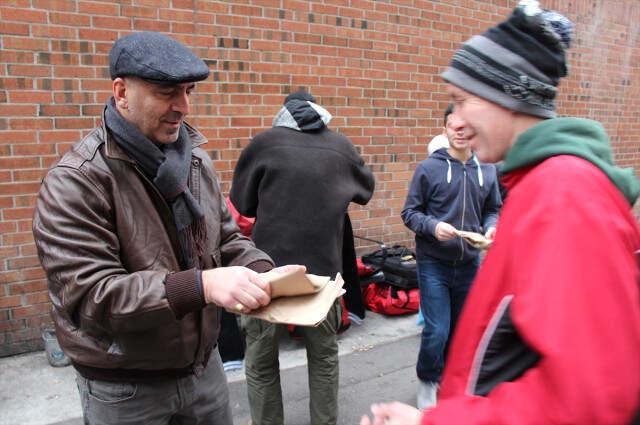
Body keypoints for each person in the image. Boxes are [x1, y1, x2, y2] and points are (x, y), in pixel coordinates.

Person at [362, 1, 640, 424]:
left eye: (460, 100)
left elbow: (593, 394)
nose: (454, 120)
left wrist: (435, 421)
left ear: (505, 97)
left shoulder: (562, 192)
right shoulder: (536, 183)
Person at [32, 31, 302, 425]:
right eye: (166, 92)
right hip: (125, 386)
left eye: (189, 91)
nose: (183, 106)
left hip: (202, 369)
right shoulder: (76, 180)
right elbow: (93, 298)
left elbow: (226, 238)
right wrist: (203, 285)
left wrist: (264, 273)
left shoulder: (195, 163)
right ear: (121, 92)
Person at [230, 91, 375, 425]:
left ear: (284, 114)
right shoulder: (342, 146)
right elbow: (365, 192)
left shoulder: (264, 144)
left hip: (268, 272)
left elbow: (244, 203)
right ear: (318, 112)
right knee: (323, 358)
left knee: (261, 362)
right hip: (322, 272)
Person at [401, 105, 502, 409]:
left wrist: (492, 227)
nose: (458, 132)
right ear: (444, 130)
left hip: (470, 263)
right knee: (437, 330)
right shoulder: (429, 169)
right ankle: (428, 381)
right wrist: (433, 226)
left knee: (461, 331)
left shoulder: (487, 169)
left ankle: (451, 381)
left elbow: (492, 208)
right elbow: (410, 213)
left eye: (465, 126)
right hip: (433, 263)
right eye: (452, 126)